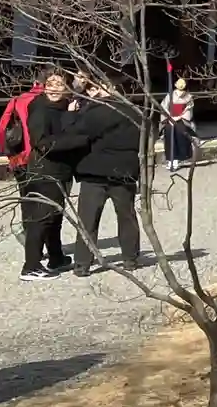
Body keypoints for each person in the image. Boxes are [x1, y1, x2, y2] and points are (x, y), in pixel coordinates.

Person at [47, 81, 147, 274]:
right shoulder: (134, 111)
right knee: (127, 217)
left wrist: (70, 114)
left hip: (95, 172)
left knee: (88, 220)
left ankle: (82, 263)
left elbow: (73, 133)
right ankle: (130, 258)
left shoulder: (95, 111)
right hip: (124, 170)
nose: (91, 92)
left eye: (94, 88)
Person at [0, 73, 71, 280]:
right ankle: (31, 266)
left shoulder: (63, 106)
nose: (55, 88)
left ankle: (56, 257)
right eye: (51, 84)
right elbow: (41, 142)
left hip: (57, 169)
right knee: (40, 217)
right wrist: (76, 140)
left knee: (54, 216)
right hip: (43, 169)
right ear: (43, 86)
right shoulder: (39, 108)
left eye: (60, 84)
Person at [163, 72, 196, 173]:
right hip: (170, 118)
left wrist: (180, 117)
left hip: (182, 119)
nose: (180, 92)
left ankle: (177, 159)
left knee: (181, 132)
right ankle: (170, 159)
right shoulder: (170, 95)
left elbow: (188, 109)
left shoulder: (188, 97)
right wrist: (170, 118)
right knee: (168, 132)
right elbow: (164, 107)